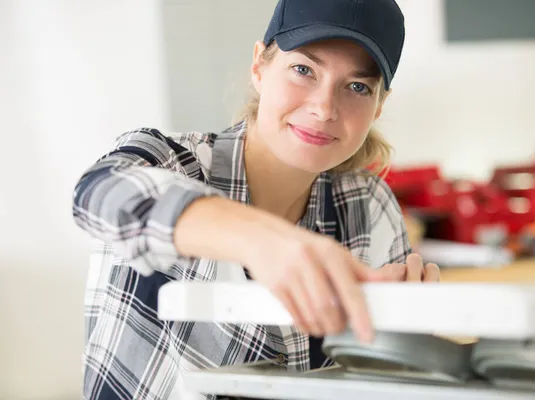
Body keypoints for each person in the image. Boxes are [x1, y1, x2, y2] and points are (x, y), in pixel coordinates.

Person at [72, 0, 440, 398]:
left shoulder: (370, 207)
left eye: (357, 87)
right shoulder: (172, 162)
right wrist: (262, 241)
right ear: (259, 67)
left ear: (379, 106)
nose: (323, 108)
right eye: (303, 70)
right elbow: (99, 192)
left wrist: (400, 338)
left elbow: (384, 382)